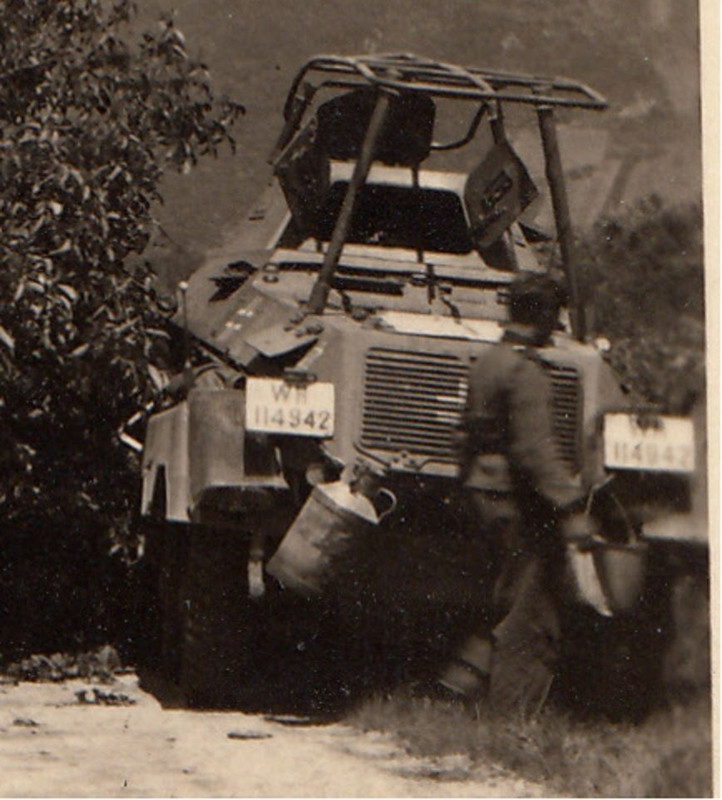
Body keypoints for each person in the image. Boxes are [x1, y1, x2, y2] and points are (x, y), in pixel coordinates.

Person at [440, 273, 592, 720]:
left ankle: (460, 686)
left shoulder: (488, 361)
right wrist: (569, 506)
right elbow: (534, 450)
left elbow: (463, 436)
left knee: (504, 596)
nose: (557, 323)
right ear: (543, 314)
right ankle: (511, 721)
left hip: (483, 492)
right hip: (517, 502)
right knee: (531, 613)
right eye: (554, 313)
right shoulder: (525, 372)